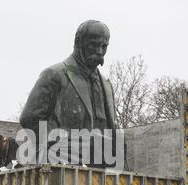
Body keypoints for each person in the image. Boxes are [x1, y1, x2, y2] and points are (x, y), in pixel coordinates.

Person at [19, 20, 118, 167]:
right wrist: (54, 149)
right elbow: (30, 118)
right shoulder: (55, 75)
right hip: (64, 166)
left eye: (104, 46)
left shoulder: (107, 86)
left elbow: (112, 129)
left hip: (103, 169)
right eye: (94, 44)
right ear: (79, 42)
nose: (99, 51)